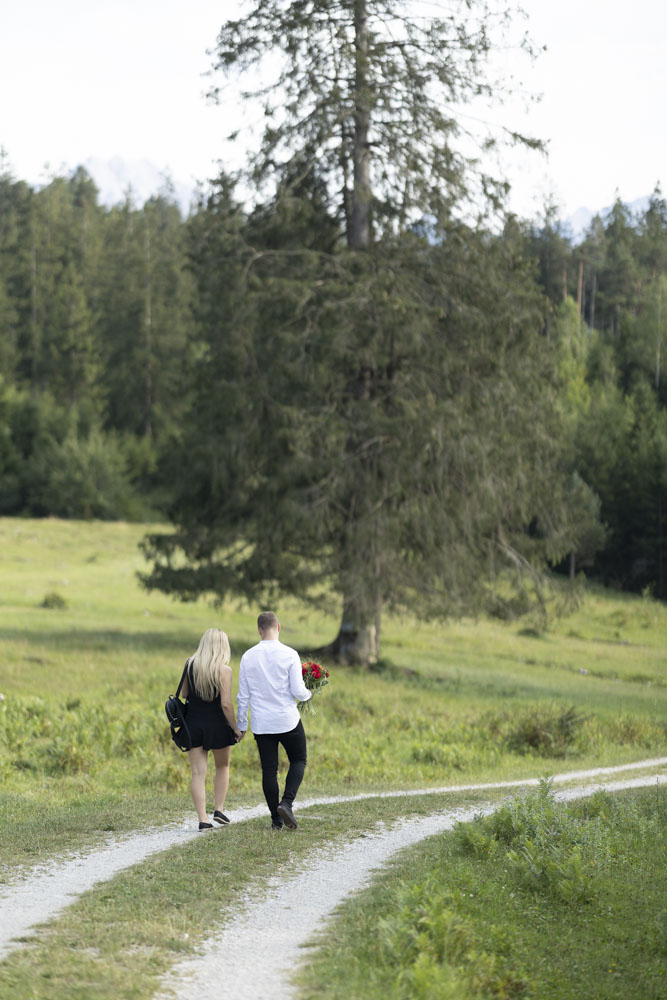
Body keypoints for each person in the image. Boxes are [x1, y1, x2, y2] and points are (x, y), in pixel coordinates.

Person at [236, 611, 312, 830]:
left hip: (262, 723)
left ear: (259, 630)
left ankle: (275, 820)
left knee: (269, 771)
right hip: (287, 720)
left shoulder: (248, 656)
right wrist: (309, 694)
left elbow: (243, 696)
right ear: (278, 627)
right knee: (299, 759)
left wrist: (242, 725)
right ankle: (286, 803)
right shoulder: (290, 654)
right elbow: (298, 691)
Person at [180, 627, 242, 830]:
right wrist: (236, 728)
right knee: (222, 767)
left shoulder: (190, 664)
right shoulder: (224, 670)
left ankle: (203, 819)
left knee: (198, 773)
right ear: (223, 646)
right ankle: (219, 809)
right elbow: (226, 704)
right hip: (218, 725)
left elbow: (184, 694)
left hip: (193, 724)